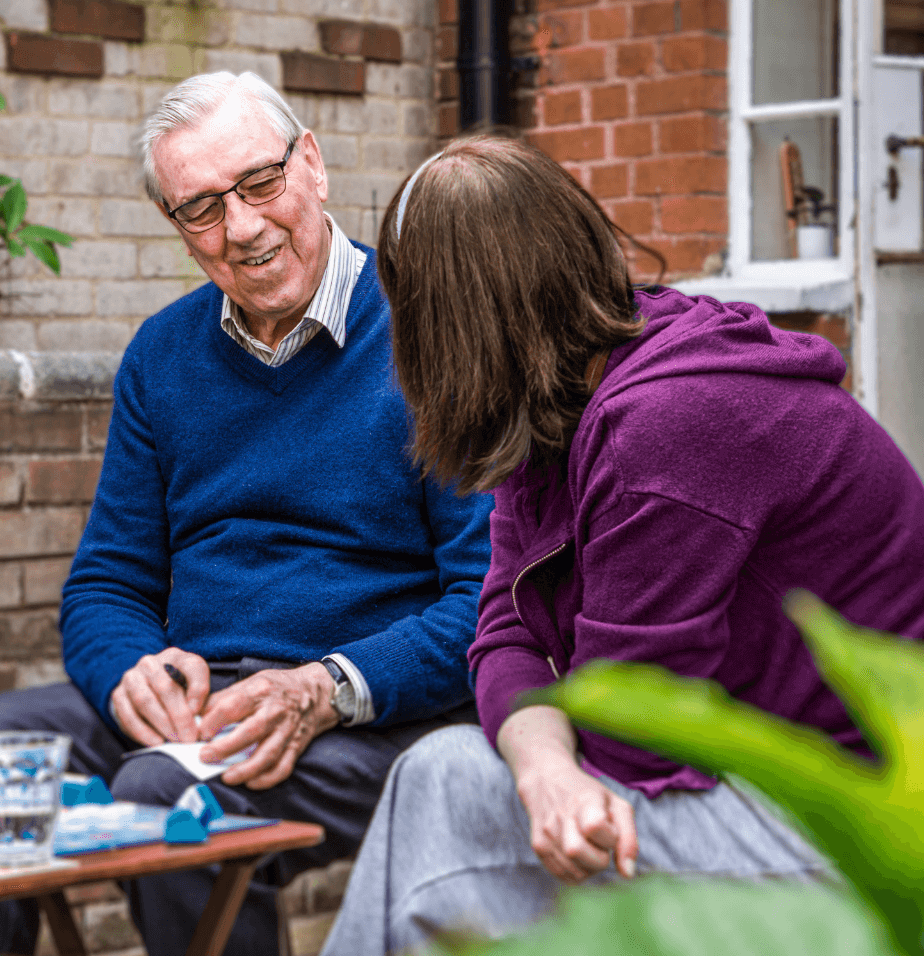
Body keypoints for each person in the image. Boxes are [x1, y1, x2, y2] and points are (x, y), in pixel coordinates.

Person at [0, 72, 493, 956]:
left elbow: (487, 597)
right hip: (199, 706)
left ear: (314, 165)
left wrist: (325, 688)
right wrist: (125, 673)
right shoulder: (163, 354)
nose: (245, 228)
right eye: (202, 209)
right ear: (178, 230)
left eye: (261, 184)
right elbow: (108, 581)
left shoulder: (431, 332)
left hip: (372, 712)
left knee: (166, 798)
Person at [319, 134, 924, 956]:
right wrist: (543, 765)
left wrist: (550, 761)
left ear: (446, 326)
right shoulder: (568, 391)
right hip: (751, 791)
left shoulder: (669, 429)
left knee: (452, 782)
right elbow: (502, 631)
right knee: (454, 776)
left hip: (858, 836)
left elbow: (636, 733)